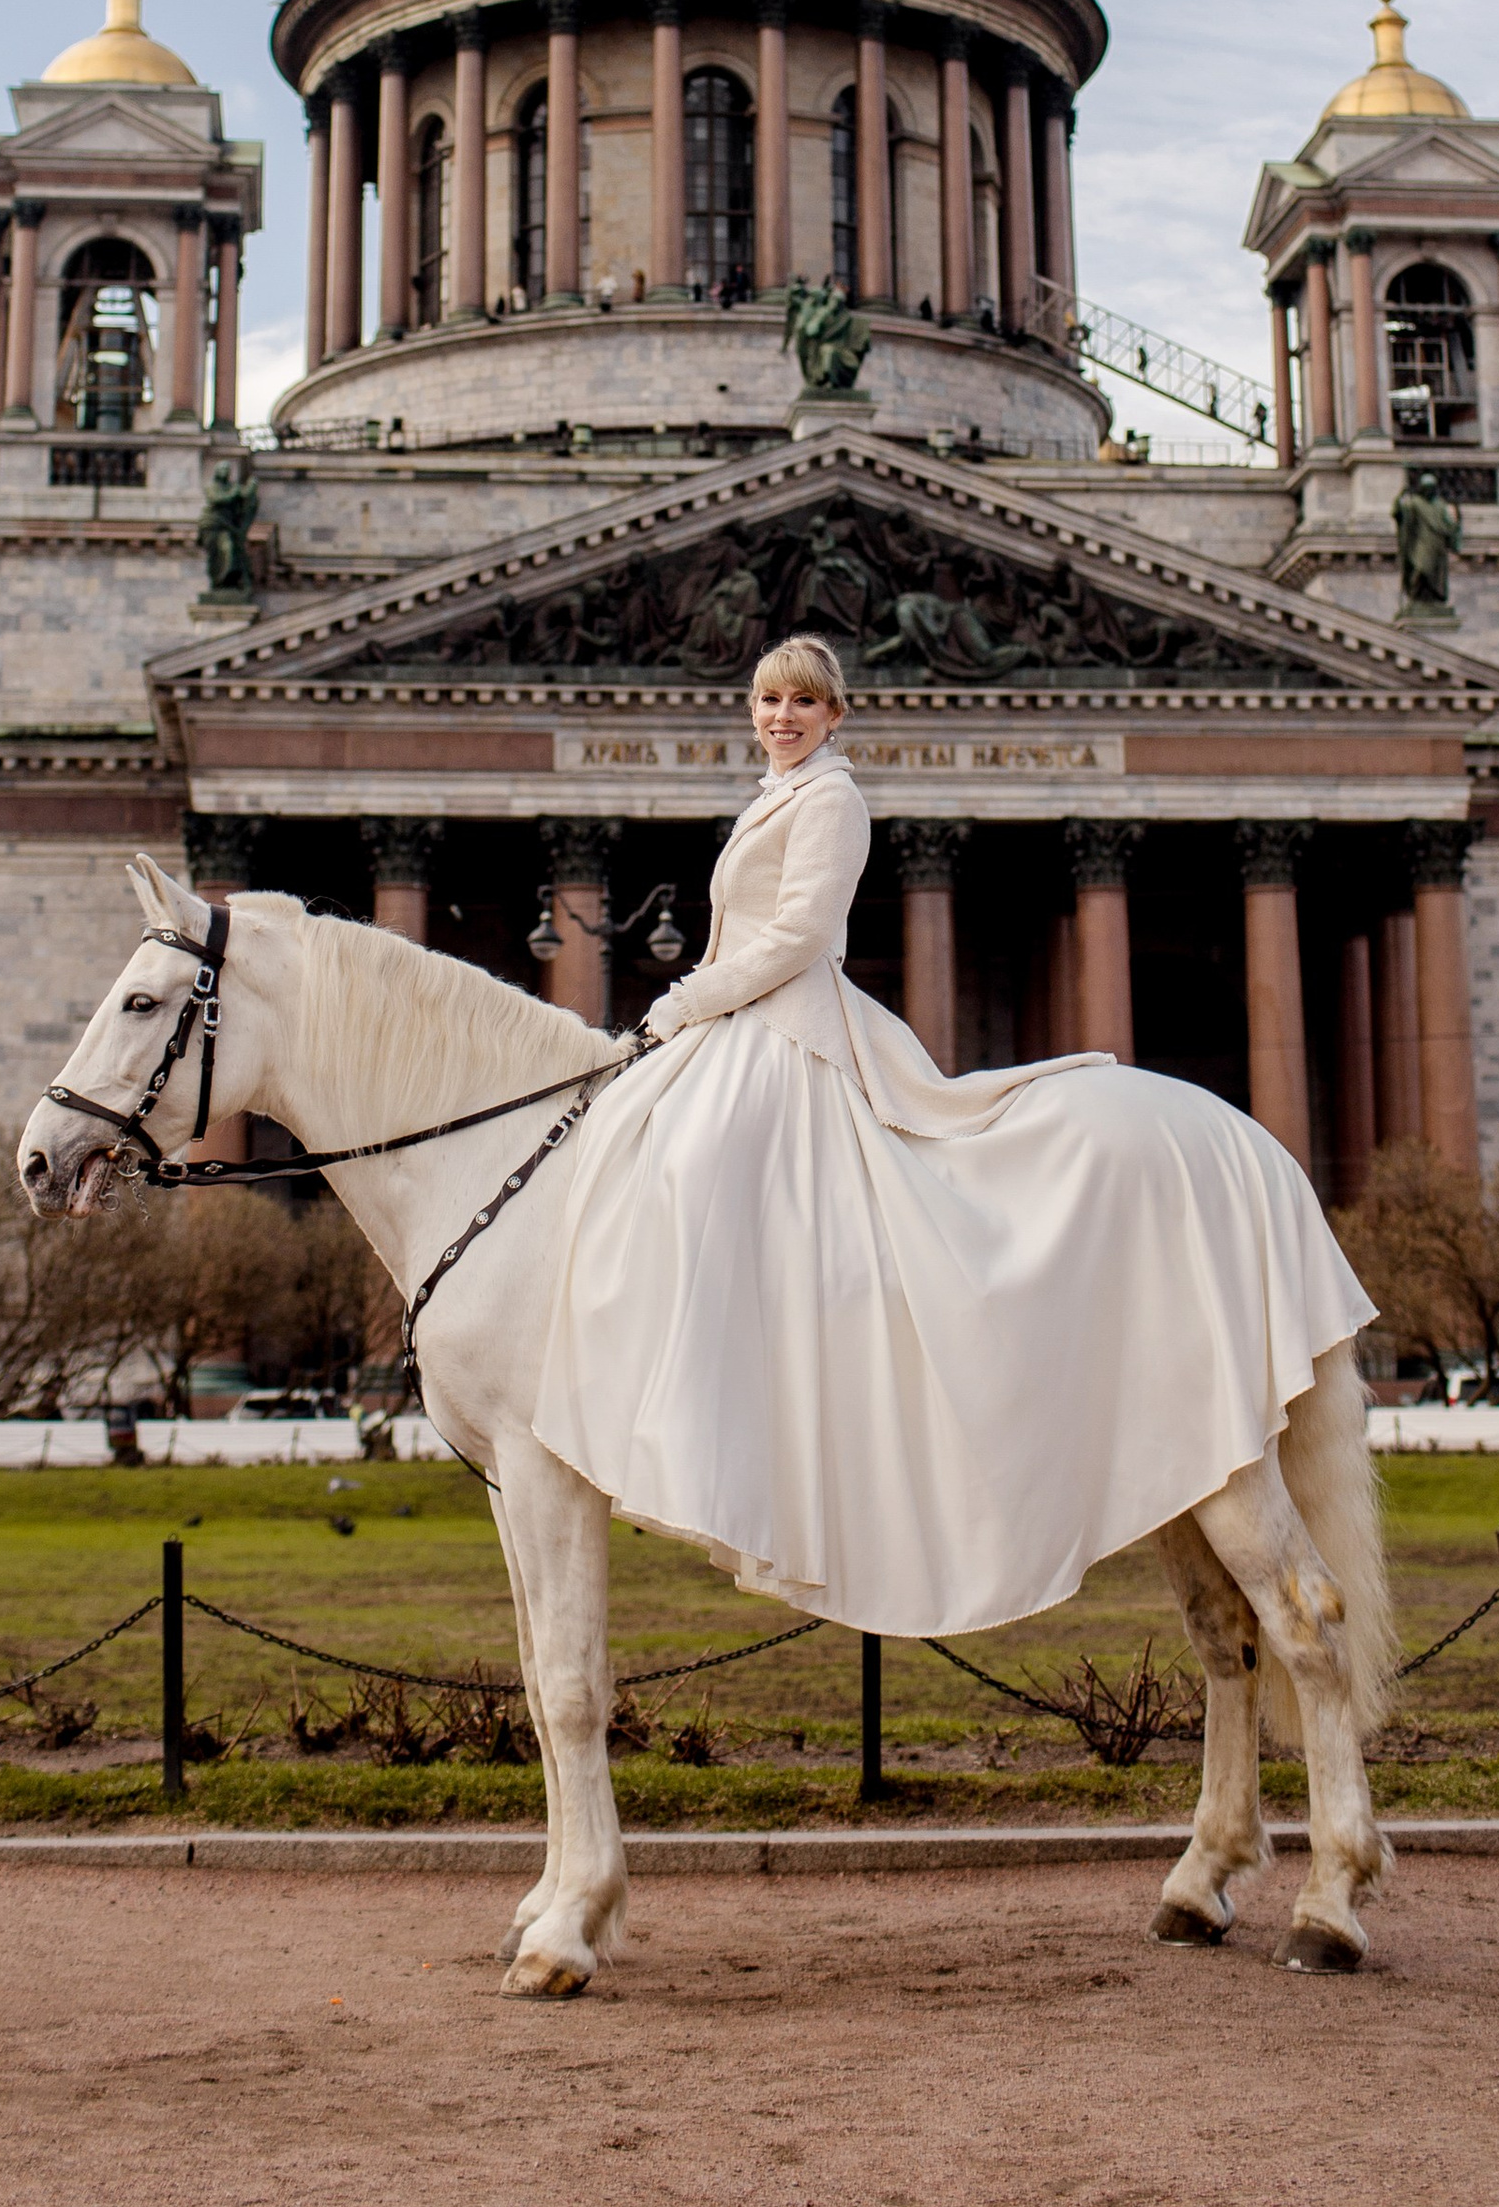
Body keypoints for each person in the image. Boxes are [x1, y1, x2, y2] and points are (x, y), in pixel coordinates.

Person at [533, 638, 1371, 1638]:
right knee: (656, 1155)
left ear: (834, 714)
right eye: (768, 699)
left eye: (804, 700)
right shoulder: (776, 795)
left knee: (697, 1166)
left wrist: (687, 998)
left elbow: (798, 935)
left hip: (778, 1024)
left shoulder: (833, 799)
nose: (784, 715)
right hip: (741, 1023)